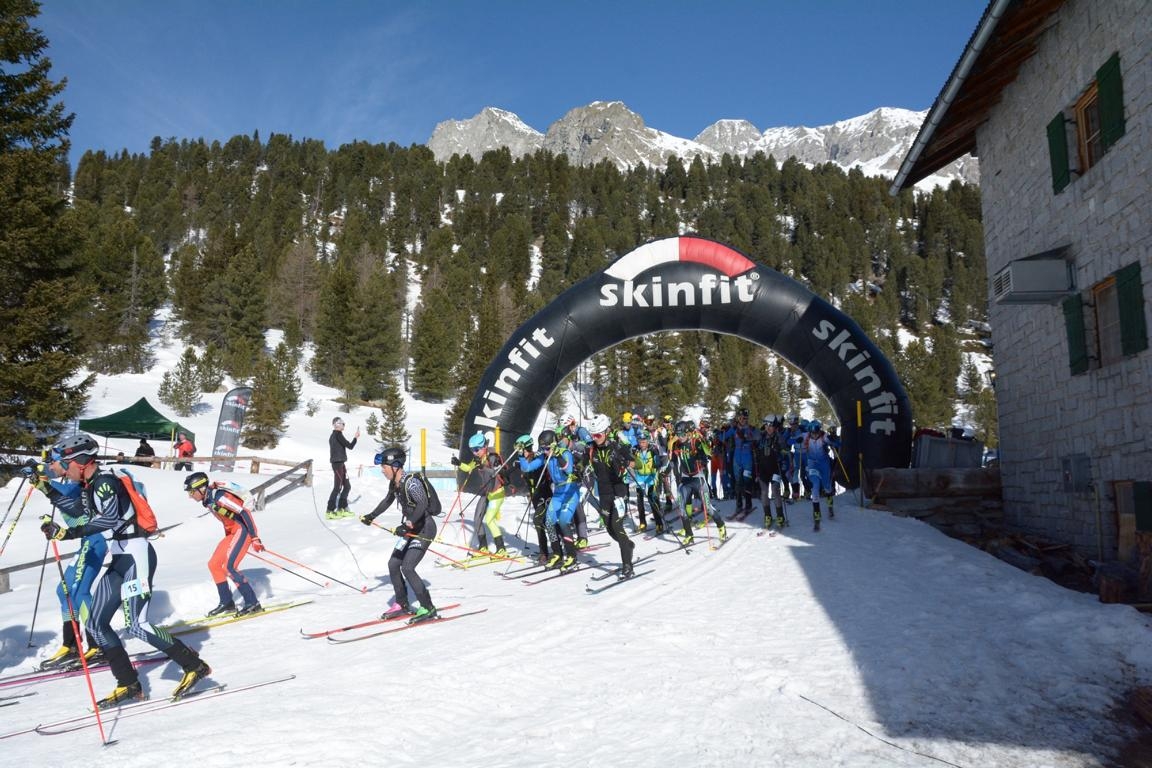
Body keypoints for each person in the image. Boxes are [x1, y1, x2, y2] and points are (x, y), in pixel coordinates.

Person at [37, 434, 210, 708]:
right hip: (120, 556)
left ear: (81, 462)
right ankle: (128, 683)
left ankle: (194, 665)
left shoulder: (105, 483)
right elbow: (78, 509)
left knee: (137, 625)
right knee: (95, 623)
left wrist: (68, 533)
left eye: (67, 462)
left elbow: (108, 519)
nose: (64, 467)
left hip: (136, 555)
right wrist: (45, 488)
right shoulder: (88, 484)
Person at [20, 456, 107, 671]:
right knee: (64, 591)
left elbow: (66, 496)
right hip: (87, 542)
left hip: (96, 541)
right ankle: (71, 645)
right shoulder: (69, 481)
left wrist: (42, 479)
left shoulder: (78, 483)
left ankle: (99, 643)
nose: (51, 467)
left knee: (80, 592)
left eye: (53, 464)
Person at [360, 446, 438, 623]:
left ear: (395, 466)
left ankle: (428, 607)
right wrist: (371, 516)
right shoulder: (394, 483)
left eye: (384, 467)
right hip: (411, 529)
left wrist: (407, 524)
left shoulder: (411, 482)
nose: (382, 470)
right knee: (393, 564)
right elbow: (388, 500)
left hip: (424, 528)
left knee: (407, 567)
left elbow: (422, 504)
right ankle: (402, 604)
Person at [184, 472, 264, 616]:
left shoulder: (218, 496)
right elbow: (227, 519)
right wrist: (230, 540)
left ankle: (253, 603)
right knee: (214, 564)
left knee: (229, 567)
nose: (190, 496)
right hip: (233, 533)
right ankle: (227, 603)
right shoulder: (208, 501)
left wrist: (254, 537)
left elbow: (244, 512)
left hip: (242, 530)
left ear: (201, 488)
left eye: (191, 492)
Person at [587, 414, 637, 578]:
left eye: (598, 435)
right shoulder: (591, 448)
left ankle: (627, 565)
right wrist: (578, 468)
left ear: (606, 432)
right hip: (603, 494)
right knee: (609, 529)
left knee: (617, 526)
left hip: (619, 492)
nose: (595, 438)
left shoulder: (617, 447)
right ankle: (628, 545)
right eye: (593, 435)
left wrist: (625, 462)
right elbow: (580, 461)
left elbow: (637, 463)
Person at [453, 431, 510, 558]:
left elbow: (496, 473)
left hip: (497, 492)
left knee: (489, 520)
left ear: (484, 446)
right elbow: (468, 468)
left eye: (477, 449)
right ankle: (483, 547)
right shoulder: (478, 458)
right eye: (472, 450)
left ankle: (501, 549)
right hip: (487, 492)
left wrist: (482, 466)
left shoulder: (493, 457)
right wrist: (458, 463)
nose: (475, 452)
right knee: (477, 519)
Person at [516, 432, 557, 565]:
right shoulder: (523, 460)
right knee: (543, 524)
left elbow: (528, 468)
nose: (521, 453)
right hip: (535, 496)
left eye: (522, 451)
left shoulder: (537, 459)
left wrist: (523, 456)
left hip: (545, 495)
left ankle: (548, 552)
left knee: (538, 521)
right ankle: (547, 550)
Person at [802, 420, 841, 532]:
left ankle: (830, 504)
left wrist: (834, 442)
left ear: (819, 430)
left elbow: (837, 444)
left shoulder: (824, 437)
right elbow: (797, 444)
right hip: (812, 464)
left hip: (824, 464)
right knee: (815, 486)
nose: (814, 435)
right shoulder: (807, 438)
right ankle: (816, 514)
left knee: (827, 486)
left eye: (816, 432)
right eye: (812, 432)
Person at [755, 416, 789, 530]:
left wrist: (780, 452)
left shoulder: (779, 438)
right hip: (763, 469)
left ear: (775, 427)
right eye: (767, 425)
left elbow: (786, 453)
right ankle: (767, 516)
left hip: (775, 469)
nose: (769, 428)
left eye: (771, 425)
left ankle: (780, 516)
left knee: (775, 491)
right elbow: (756, 451)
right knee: (764, 493)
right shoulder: (761, 437)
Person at [631, 430, 665, 533]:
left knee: (652, 499)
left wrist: (657, 464)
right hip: (640, 477)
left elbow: (658, 462)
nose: (642, 444)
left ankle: (659, 523)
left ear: (648, 441)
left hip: (651, 476)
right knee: (640, 500)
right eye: (640, 442)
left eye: (644, 442)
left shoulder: (653, 449)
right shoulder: (635, 449)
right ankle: (642, 523)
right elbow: (631, 460)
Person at [326, 417, 359, 519]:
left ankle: (342, 508)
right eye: (343, 424)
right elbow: (350, 446)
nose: (344, 425)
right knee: (337, 487)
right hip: (337, 464)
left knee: (347, 486)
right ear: (337, 424)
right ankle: (330, 511)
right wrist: (356, 437)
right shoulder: (337, 435)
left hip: (341, 463)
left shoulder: (334, 435)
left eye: (344, 424)